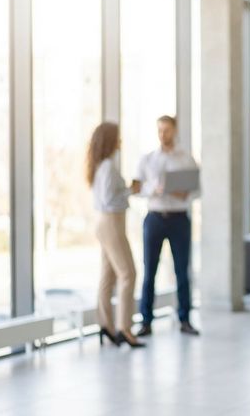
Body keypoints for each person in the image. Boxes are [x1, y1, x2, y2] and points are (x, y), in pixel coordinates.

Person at [134, 115, 200, 336]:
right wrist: (154, 188)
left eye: (167, 130)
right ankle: (145, 321)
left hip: (179, 217)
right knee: (149, 270)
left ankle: (185, 319)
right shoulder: (148, 159)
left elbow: (197, 188)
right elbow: (137, 188)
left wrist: (183, 192)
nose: (163, 134)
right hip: (154, 218)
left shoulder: (186, 159)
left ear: (175, 130)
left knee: (182, 271)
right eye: (160, 130)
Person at [86, 122, 145, 348]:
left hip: (104, 222)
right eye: (118, 137)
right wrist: (132, 190)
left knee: (108, 275)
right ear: (111, 140)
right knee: (128, 273)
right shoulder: (108, 166)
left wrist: (127, 190)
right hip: (111, 222)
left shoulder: (100, 165)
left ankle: (106, 325)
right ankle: (124, 329)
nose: (121, 141)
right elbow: (111, 200)